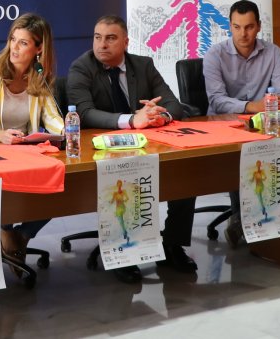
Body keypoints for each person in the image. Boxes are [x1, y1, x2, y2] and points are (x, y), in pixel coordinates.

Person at [67, 14, 197, 282]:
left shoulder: (144, 65)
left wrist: (159, 116)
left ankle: (173, 243)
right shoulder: (81, 68)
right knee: (123, 180)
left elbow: (174, 103)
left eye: (111, 38)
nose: (102, 45)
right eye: (97, 37)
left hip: (146, 144)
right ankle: (121, 252)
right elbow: (85, 112)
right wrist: (131, 120)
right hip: (102, 149)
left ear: (126, 42)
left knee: (185, 170)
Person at [0, 13, 64, 270]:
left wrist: (69, 130)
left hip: (24, 153)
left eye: (23, 43)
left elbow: (53, 119)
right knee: (4, 191)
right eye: (12, 40)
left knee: (62, 186)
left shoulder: (39, 74)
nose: (14, 49)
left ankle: (23, 235)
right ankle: (6, 231)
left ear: (39, 48)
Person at [202, 0, 280, 246]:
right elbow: (217, 101)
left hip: (265, 124)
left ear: (259, 27)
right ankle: (240, 217)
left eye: (249, 27)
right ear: (230, 27)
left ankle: (277, 219)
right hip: (224, 126)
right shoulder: (215, 54)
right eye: (237, 27)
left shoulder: (273, 52)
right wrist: (253, 106)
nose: (243, 34)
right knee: (244, 154)